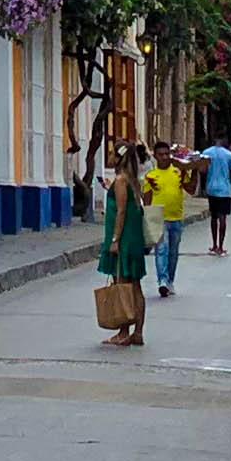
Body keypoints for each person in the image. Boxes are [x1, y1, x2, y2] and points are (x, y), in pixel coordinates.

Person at [94, 144, 154, 346]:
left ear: (119, 157)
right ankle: (137, 331)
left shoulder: (121, 180)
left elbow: (121, 211)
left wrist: (114, 240)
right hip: (133, 238)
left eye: (112, 153)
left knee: (123, 284)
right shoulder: (130, 180)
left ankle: (123, 331)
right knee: (134, 285)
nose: (109, 155)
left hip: (124, 238)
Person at [142, 142, 191, 297]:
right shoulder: (150, 176)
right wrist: (147, 221)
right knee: (162, 250)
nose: (164, 157)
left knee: (173, 252)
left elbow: (191, 189)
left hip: (177, 217)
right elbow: (147, 200)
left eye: (166, 154)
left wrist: (195, 171)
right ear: (155, 156)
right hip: (159, 218)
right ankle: (162, 281)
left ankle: (170, 280)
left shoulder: (179, 172)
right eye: (161, 154)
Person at [199, 135, 231, 254]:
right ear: (225, 141)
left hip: (211, 188)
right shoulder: (229, 155)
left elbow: (202, 171)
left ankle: (214, 245)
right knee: (222, 218)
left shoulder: (206, 153)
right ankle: (221, 247)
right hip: (225, 190)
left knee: (213, 217)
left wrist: (203, 187)